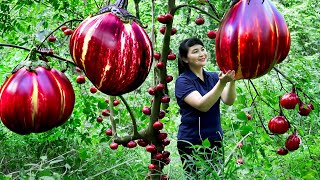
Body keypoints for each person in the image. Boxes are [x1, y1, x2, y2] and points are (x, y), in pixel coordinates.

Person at [175, 37, 236, 179]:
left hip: (215, 139)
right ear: (185, 59)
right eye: (195, 51)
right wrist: (222, 84)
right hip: (192, 142)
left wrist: (232, 81)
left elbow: (229, 100)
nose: (202, 54)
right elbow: (203, 105)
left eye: (202, 49)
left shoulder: (213, 77)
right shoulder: (183, 81)